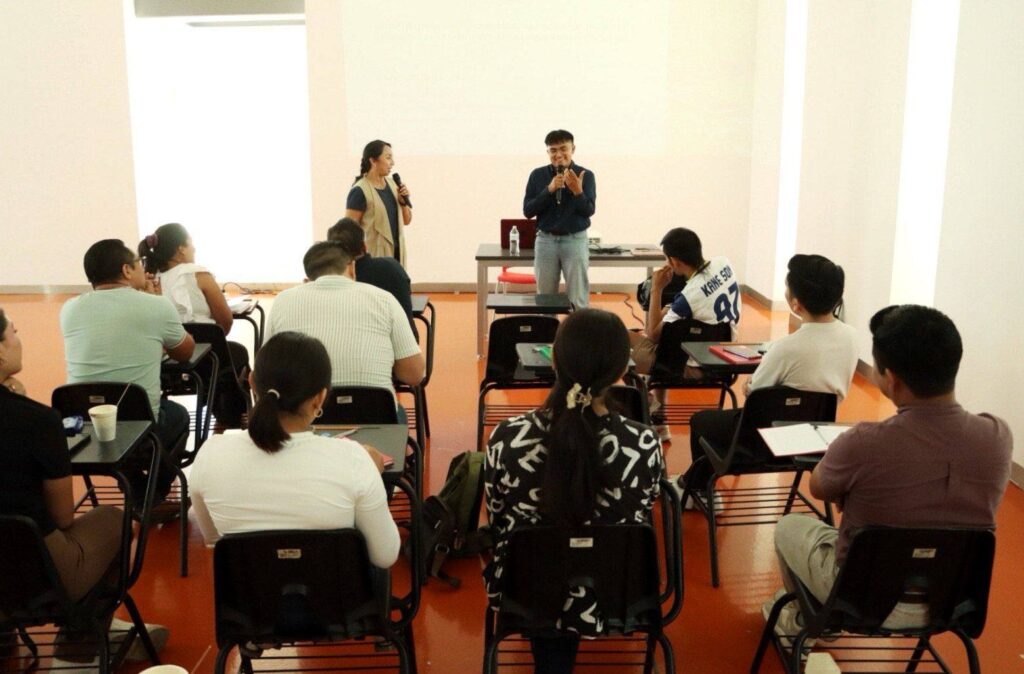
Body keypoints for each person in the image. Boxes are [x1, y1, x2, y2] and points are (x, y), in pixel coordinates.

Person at [766, 304, 1013, 639]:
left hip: (859, 598)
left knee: (789, 526)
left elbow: (819, 487)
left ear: (891, 379)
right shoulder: (998, 436)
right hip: (950, 601)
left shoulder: (864, 442)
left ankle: (804, 622)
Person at [484, 309, 663, 674]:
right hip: (619, 591)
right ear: (620, 371)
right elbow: (646, 504)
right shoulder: (645, 442)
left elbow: (498, 514)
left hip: (527, 591)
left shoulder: (507, 437)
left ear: (554, 361)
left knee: (542, 556)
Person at [0, 308, 168, 669]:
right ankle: (83, 637)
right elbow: (62, 517)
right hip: (33, 569)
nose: (18, 337)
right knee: (115, 519)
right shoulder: (36, 421)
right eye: (13, 331)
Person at [189, 332, 401, 574]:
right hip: (335, 594)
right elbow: (385, 555)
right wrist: (371, 476)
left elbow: (214, 540)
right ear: (320, 398)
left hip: (252, 593)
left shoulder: (211, 455)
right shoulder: (354, 460)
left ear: (252, 382)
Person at [679, 254, 858, 505]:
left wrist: (748, 385)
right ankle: (689, 481)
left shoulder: (786, 347)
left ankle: (696, 489)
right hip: (814, 437)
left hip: (765, 439)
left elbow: (755, 393)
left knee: (701, 421)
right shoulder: (852, 338)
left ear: (796, 304)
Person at [61, 239, 195, 501]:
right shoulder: (155, 306)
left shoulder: (69, 309)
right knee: (178, 416)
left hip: (84, 423)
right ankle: (152, 494)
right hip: (139, 422)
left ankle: (134, 484)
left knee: (135, 428)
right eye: (138, 263)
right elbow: (185, 352)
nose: (143, 269)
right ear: (126, 270)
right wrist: (155, 301)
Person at [266, 242, 423, 399]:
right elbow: (414, 374)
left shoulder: (282, 301)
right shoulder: (385, 299)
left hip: (306, 411)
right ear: (352, 268)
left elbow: (266, 368)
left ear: (307, 279)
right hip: (376, 411)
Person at [139, 222, 250, 427]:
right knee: (237, 353)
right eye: (191, 243)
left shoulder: (149, 280)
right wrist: (213, 337)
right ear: (181, 249)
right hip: (207, 357)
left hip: (166, 364)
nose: (194, 248)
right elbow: (225, 321)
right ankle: (232, 419)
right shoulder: (197, 273)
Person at [630, 227, 741, 376]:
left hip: (688, 364)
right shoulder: (723, 262)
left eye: (667, 258)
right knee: (621, 334)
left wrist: (656, 289)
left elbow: (652, 335)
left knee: (618, 350)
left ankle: (639, 390)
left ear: (674, 261)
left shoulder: (688, 298)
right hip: (723, 351)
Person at [523, 129, 596, 309]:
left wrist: (578, 191)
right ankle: (548, 328)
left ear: (573, 149)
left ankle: (577, 328)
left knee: (577, 298)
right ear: (547, 152)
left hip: (575, 240)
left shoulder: (585, 175)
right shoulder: (537, 175)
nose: (559, 154)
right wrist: (549, 190)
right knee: (545, 298)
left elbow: (589, 210)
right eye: (553, 150)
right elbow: (528, 211)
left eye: (563, 149)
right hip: (545, 240)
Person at [327, 217, 417, 339]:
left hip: (361, 345)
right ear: (364, 246)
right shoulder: (393, 266)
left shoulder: (335, 285)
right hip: (408, 341)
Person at [345, 140, 413, 267]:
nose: (392, 163)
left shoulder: (393, 185)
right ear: (373, 161)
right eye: (388, 158)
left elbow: (407, 220)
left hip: (398, 257)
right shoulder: (360, 190)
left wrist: (403, 203)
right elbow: (348, 231)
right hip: (374, 260)